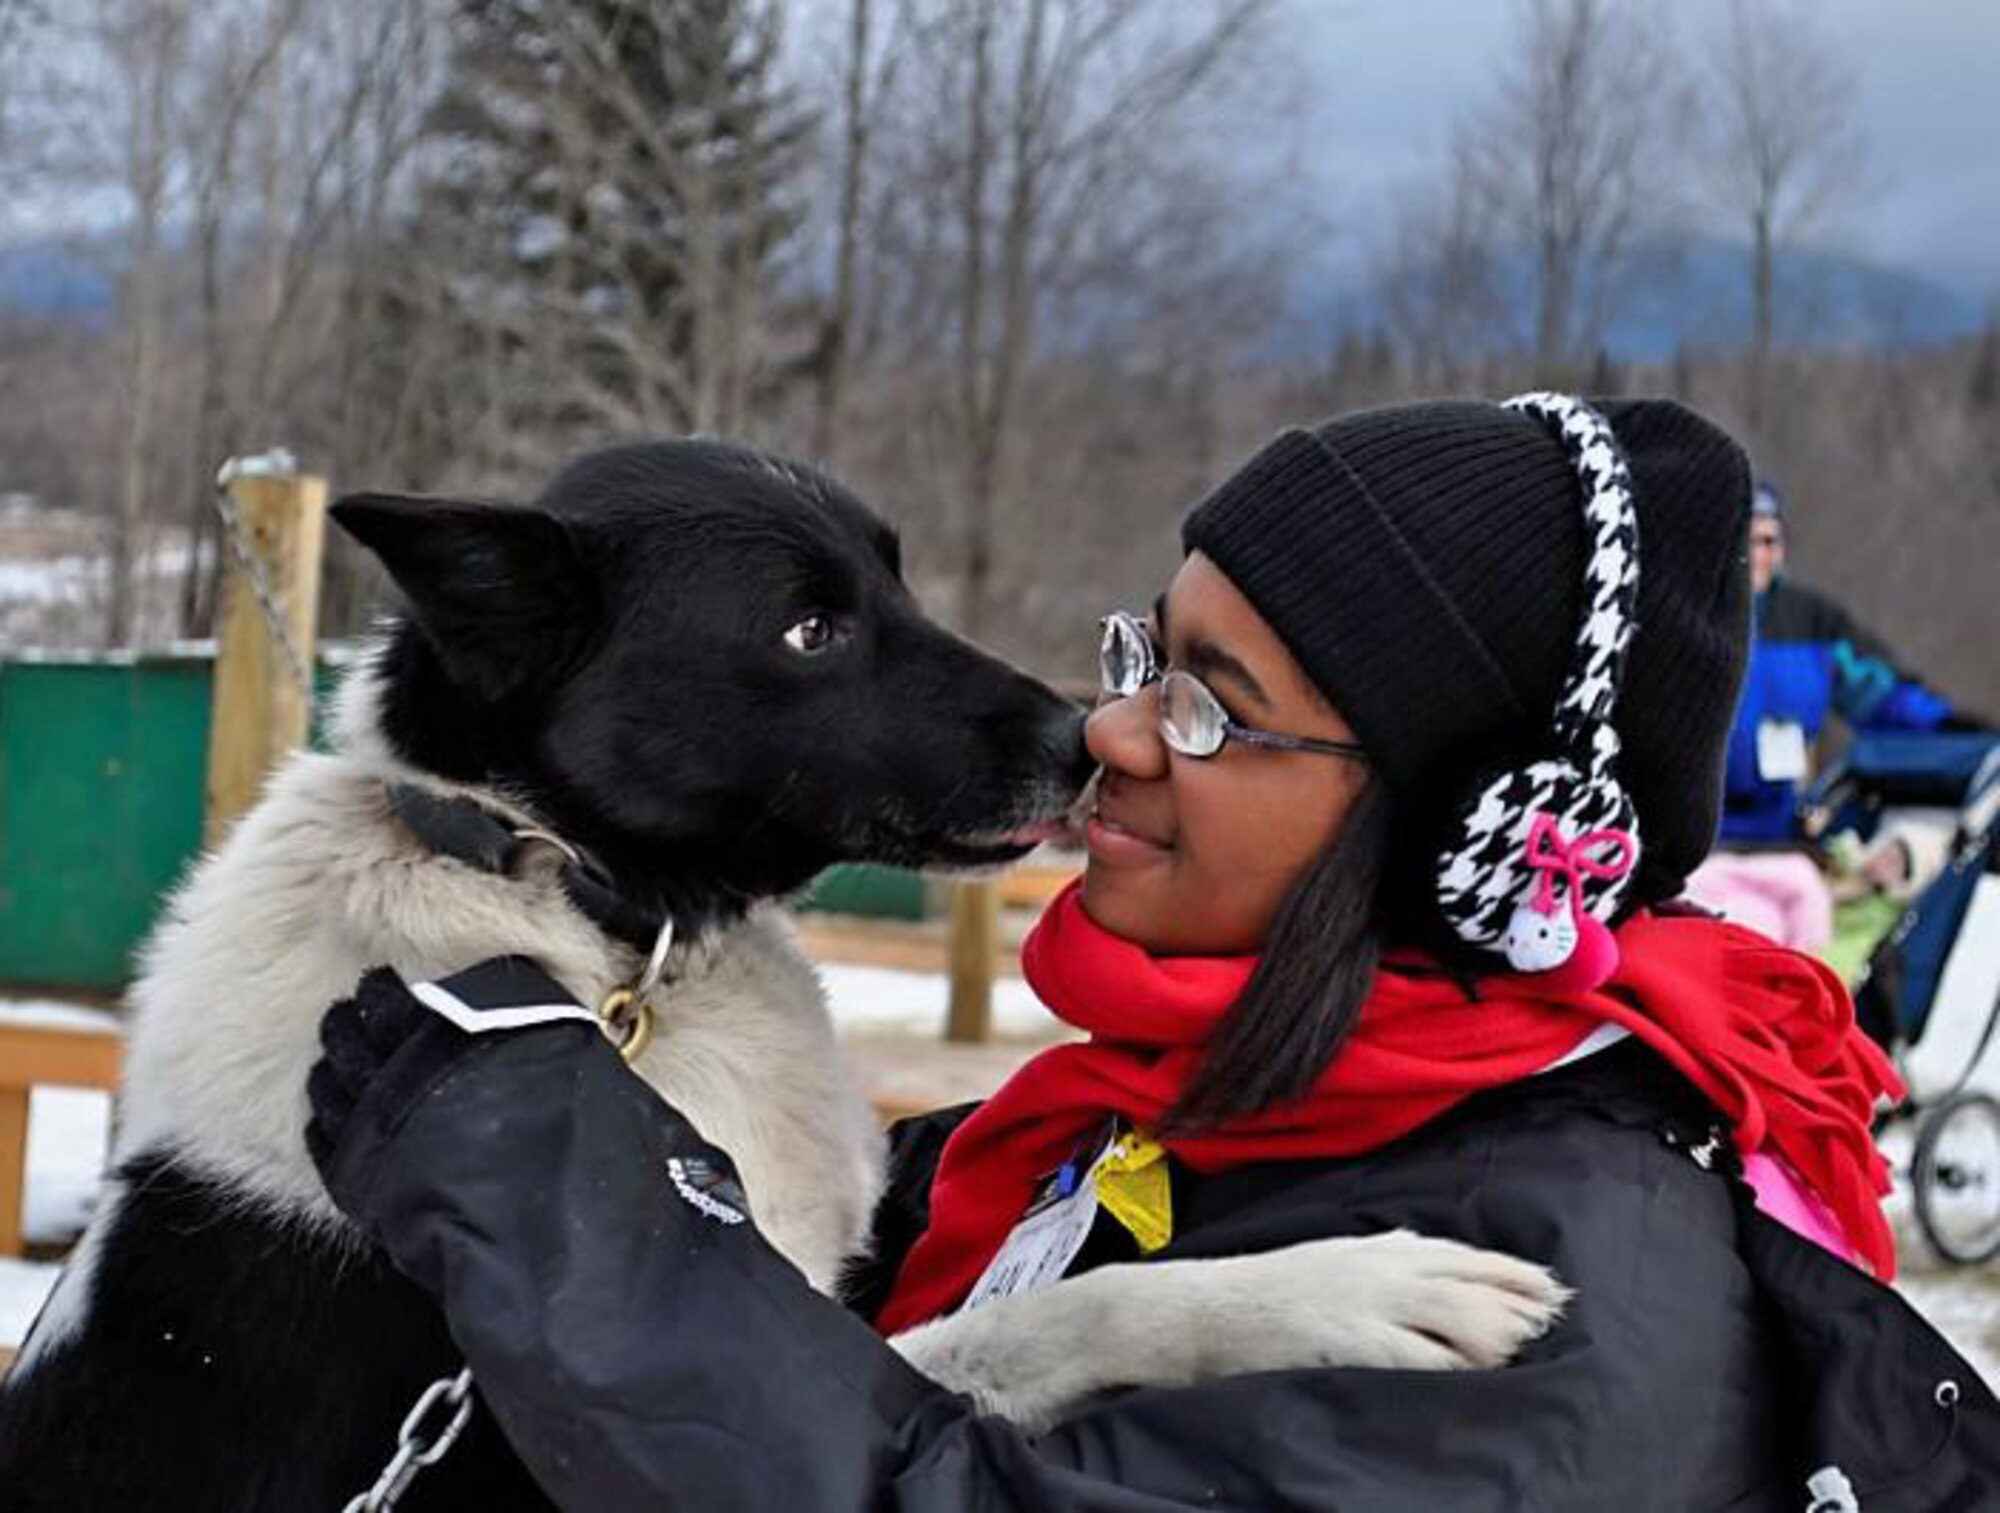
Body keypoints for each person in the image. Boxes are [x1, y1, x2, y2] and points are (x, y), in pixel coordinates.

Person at [306, 395, 2000, 1510]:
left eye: (1213, 704)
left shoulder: (1554, 1321)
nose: (1111, 728)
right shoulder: (1195, 1115)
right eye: (1148, 652)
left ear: (1422, 819)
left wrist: (585, 1219)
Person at [1722, 480, 1961, 844]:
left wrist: (1957, 729)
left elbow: (1884, 696)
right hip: (1699, 837)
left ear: (1783, 548)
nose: (1757, 554)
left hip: (1786, 833)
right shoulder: (1691, 616)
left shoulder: (1814, 621)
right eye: (1746, 541)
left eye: (1768, 541)